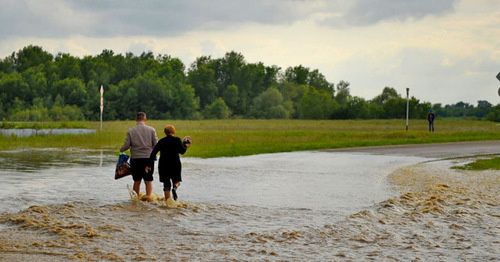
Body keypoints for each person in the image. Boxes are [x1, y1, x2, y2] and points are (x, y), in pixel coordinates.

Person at [146, 125, 190, 201]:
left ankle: (167, 202)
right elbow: (182, 151)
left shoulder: (161, 141)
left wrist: (149, 165)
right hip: (175, 164)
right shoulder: (177, 140)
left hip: (163, 165)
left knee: (166, 184)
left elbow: (153, 153)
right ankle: (175, 188)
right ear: (174, 131)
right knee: (176, 181)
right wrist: (186, 145)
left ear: (165, 132)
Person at [120, 112, 158, 199]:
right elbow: (156, 144)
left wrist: (121, 149)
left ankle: (135, 199)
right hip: (148, 159)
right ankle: (149, 197)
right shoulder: (152, 130)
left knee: (137, 180)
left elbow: (127, 145)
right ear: (145, 119)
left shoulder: (131, 131)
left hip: (135, 159)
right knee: (148, 180)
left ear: (136, 120)